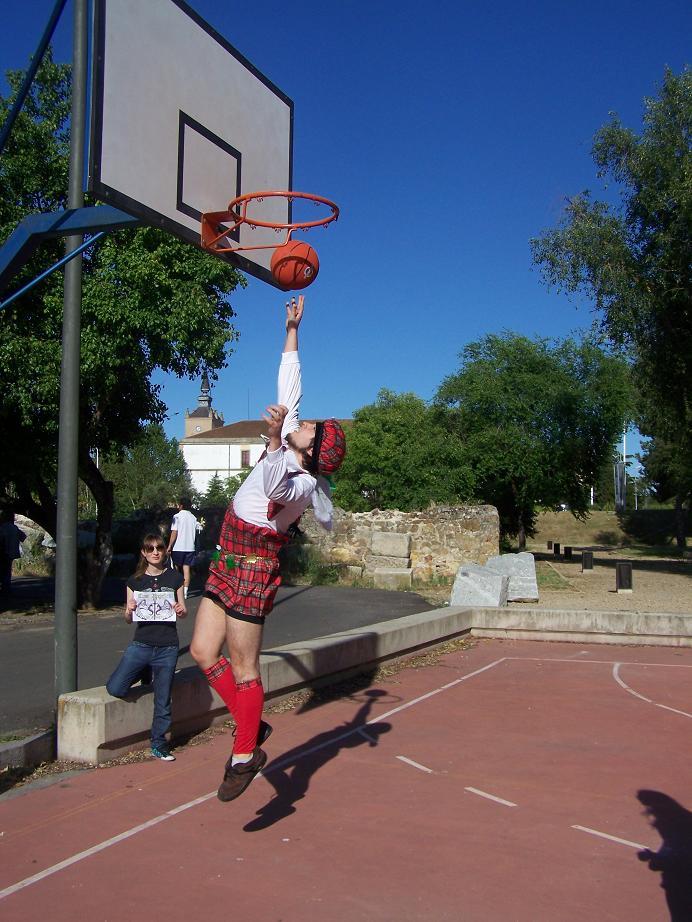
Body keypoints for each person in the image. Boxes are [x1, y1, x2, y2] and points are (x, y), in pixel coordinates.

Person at [190, 295, 346, 803]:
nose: (303, 419)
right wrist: (293, 329)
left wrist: (275, 438)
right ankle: (248, 724)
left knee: (244, 668)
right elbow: (290, 382)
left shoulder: (301, 487)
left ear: (311, 447)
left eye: (308, 425)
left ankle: (243, 754)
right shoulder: (291, 444)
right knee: (199, 651)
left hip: (255, 566)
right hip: (227, 553)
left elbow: (276, 488)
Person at [107, 533, 187, 761]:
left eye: (159, 548)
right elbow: (127, 619)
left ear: (164, 551)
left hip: (167, 646)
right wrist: (129, 610)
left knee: (163, 700)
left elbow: (183, 610)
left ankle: (159, 744)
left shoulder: (175, 578)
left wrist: (181, 610)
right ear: (143, 552)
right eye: (150, 548)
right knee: (116, 687)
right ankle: (143, 670)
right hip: (141, 643)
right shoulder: (135, 581)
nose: (155, 552)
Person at [167, 497, 200, 599]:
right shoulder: (193, 518)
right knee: (186, 569)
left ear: (181, 505)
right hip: (190, 547)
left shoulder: (177, 516)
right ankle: (185, 592)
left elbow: (174, 532)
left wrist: (169, 546)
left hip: (178, 547)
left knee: (176, 569)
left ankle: (177, 590)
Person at [0, 509, 26, 597]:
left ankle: (5, 590)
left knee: (3, 571)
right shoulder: (14, 527)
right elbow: (23, 537)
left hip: (3, 552)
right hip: (11, 553)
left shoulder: (2, 527)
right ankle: (6, 589)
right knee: (7, 571)